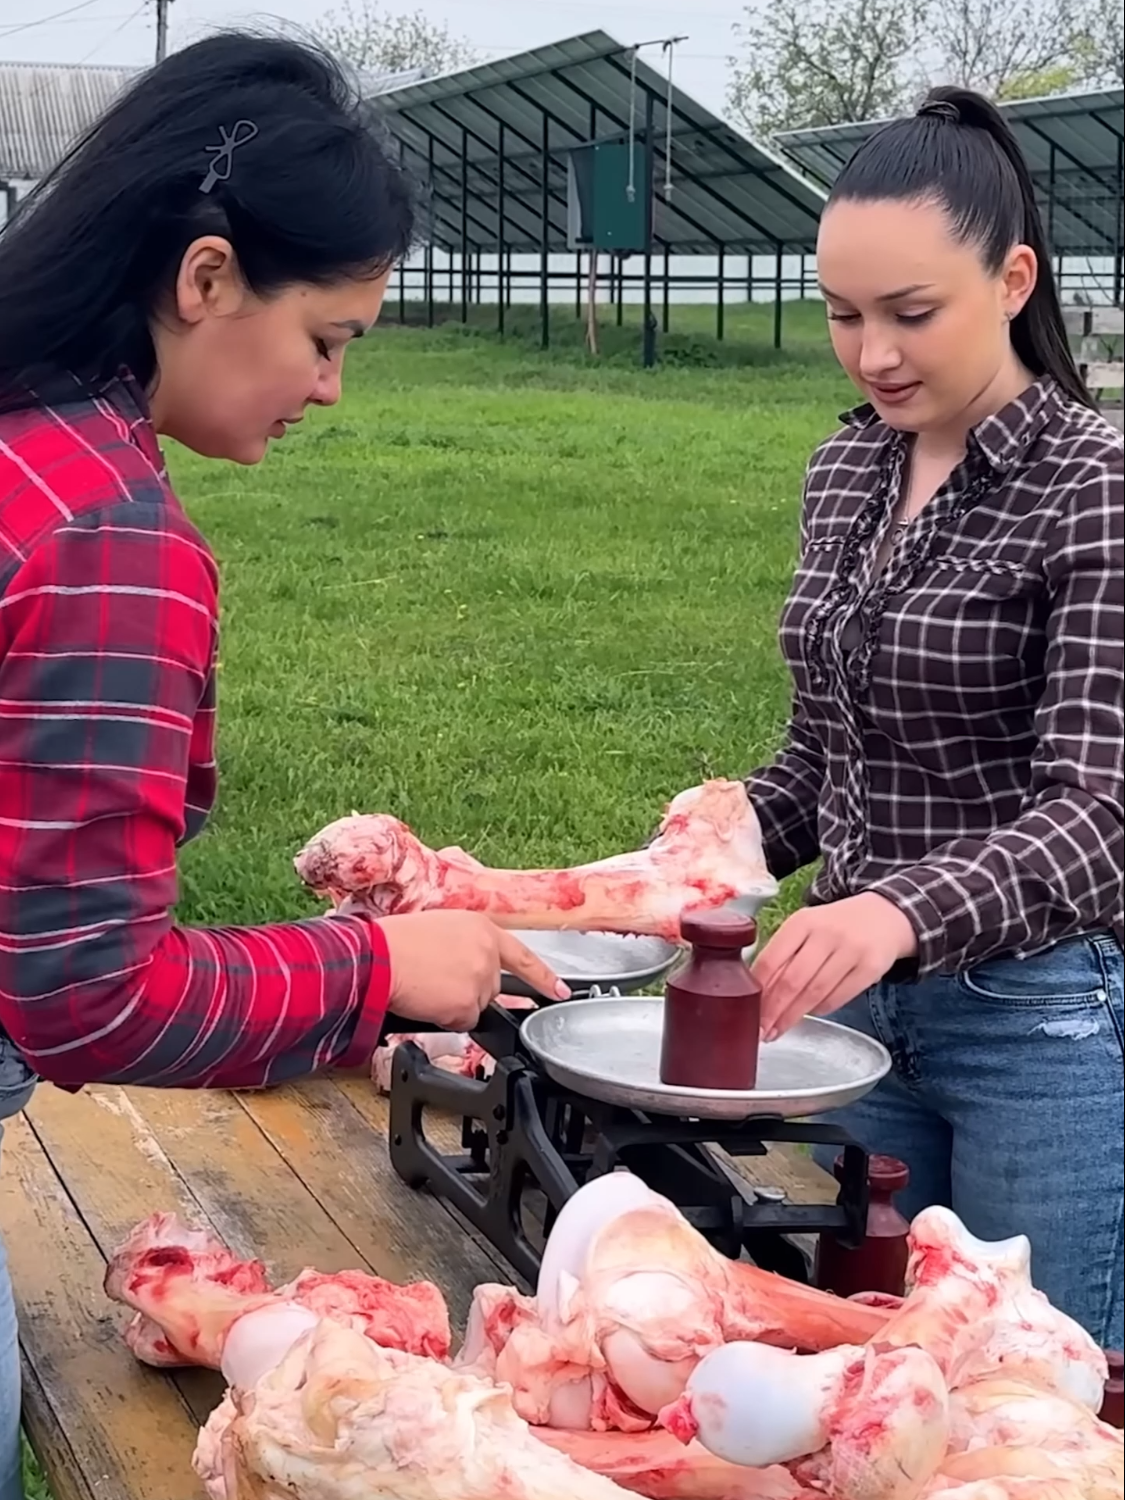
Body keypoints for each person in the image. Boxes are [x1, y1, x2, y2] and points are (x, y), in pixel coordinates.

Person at [0, 32, 569, 1500]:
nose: (329, 391)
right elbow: (84, 997)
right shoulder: (104, 534)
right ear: (203, 280)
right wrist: (378, 969)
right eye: (328, 340)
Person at [688, 85, 1122, 1350]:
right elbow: (829, 761)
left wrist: (899, 909)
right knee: (863, 1377)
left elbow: (1101, 813)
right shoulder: (848, 468)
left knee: (1030, 1391)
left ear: (1014, 278)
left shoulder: (1093, 488)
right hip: (854, 1025)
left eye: (911, 314)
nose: (873, 352)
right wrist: (698, 856)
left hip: (1031, 1022)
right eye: (842, 315)